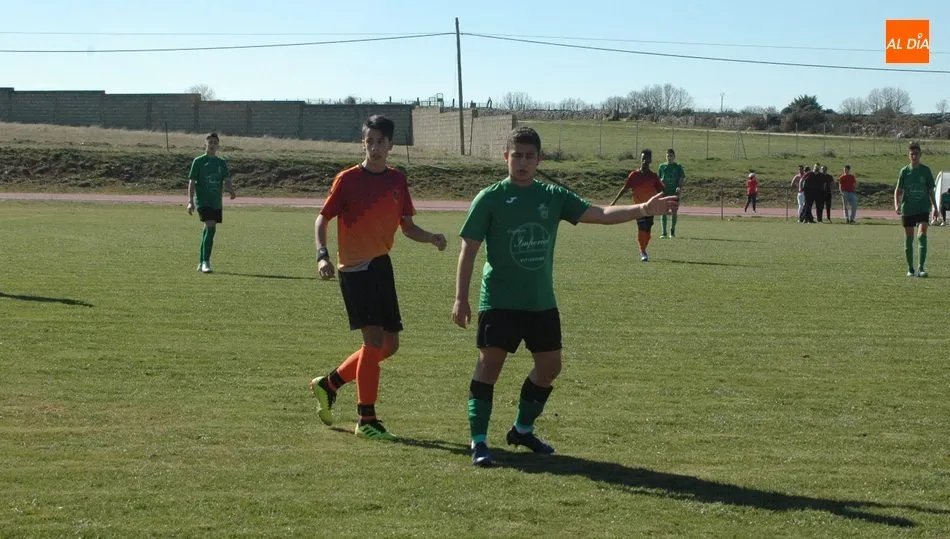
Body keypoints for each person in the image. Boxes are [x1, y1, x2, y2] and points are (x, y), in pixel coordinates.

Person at [451, 127, 677, 467]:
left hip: (540, 300)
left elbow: (599, 214)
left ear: (539, 159)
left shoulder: (551, 196)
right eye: (517, 156)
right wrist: (460, 298)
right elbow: (468, 248)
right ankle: (479, 442)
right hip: (499, 300)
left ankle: (522, 430)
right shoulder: (490, 198)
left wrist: (643, 207)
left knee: (550, 367)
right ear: (506, 158)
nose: (523, 162)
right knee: (489, 366)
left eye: (529, 156)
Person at [309, 115, 448, 440]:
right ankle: (366, 419)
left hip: (382, 266)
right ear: (364, 143)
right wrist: (322, 255)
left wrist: (431, 238)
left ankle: (328, 384)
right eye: (369, 142)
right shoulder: (347, 180)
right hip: (355, 269)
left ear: (390, 145)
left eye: (380, 142)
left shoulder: (397, 180)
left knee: (389, 345)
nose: (374, 147)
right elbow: (321, 219)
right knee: (372, 342)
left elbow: (407, 226)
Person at [186, 132, 235, 273]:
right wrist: (190, 201)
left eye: (215, 142)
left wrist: (231, 191)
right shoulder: (198, 161)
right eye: (210, 142)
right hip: (202, 200)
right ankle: (206, 262)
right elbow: (192, 181)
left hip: (216, 202)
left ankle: (201, 261)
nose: (212, 145)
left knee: (207, 229)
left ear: (218, 145)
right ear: (205, 145)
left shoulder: (221, 163)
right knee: (211, 227)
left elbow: (226, 179)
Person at [610, 149, 666, 261]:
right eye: (643, 158)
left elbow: (662, 191)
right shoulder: (634, 175)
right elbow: (624, 189)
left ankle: (644, 248)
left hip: (650, 208)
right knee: (642, 227)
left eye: (647, 158)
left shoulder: (653, 176)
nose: (645, 160)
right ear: (641, 159)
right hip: (638, 208)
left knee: (648, 231)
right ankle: (643, 251)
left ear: (650, 160)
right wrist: (614, 202)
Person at [894, 141, 939, 277]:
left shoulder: (926, 171)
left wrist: (935, 207)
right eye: (912, 154)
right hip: (908, 209)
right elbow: (897, 190)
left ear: (920, 155)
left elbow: (931, 191)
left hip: (923, 208)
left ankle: (921, 268)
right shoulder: (905, 171)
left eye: (916, 154)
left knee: (922, 235)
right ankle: (910, 269)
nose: (914, 156)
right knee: (909, 238)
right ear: (909, 155)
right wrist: (896, 205)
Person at [657, 148, 685, 237]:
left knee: (674, 212)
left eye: (671, 156)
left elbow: (681, 179)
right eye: (668, 156)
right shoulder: (662, 166)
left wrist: (679, 187)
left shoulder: (678, 167)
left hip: (674, 193)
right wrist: (660, 183)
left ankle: (672, 231)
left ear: (674, 157)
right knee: (663, 212)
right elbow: (658, 180)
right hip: (664, 193)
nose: (669, 157)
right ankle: (663, 232)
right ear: (666, 156)